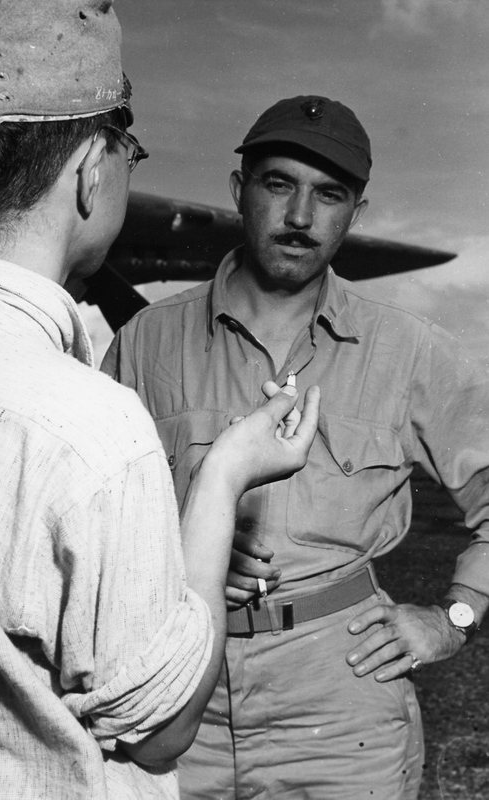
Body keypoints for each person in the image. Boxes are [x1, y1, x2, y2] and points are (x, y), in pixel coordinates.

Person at [0, 5, 321, 798]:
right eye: (126, 148)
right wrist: (223, 480)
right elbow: (162, 731)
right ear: (90, 172)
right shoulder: (92, 429)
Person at [102, 94, 489, 799]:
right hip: (174, 694)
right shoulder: (145, 341)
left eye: (328, 195)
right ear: (238, 191)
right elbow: (90, 517)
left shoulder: (409, 352)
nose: (300, 217)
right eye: (278, 184)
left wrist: (452, 618)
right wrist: (186, 543)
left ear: (354, 214)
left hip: (342, 710)